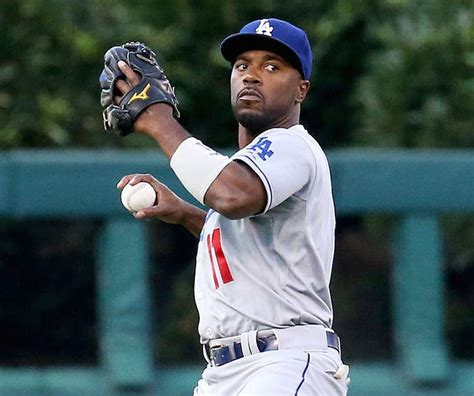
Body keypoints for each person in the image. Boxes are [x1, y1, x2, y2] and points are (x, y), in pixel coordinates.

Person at [113, 17, 349, 395]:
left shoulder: (292, 145)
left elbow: (232, 197)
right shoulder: (250, 170)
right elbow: (247, 237)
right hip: (225, 372)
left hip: (284, 363)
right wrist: (187, 214)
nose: (252, 76)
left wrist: (159, 120)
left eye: (272, 66)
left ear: (301, 89)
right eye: (243, 66)